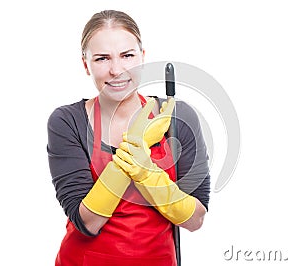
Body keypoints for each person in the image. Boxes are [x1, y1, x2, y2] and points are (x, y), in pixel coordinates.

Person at [47, 10, 210, 266]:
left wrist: (147, 173)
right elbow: (88, 222)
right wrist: (138, 144)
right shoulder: (67, 122)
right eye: (102, 58)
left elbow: (195, 219)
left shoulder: (177, 117)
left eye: (127, 56)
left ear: (142, 57)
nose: (116, 70)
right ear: (85, 64)